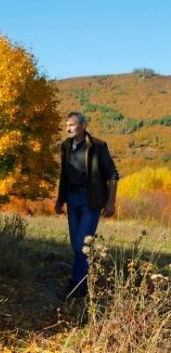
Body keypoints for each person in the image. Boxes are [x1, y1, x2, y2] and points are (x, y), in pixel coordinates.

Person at [54, 111, 119, 298]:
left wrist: (110, 202)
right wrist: (60, 199)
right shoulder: (65, 146)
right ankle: (83, 284)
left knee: (82, 243)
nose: (68, 128)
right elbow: (64, 175)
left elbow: (112, 175)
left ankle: (74, 286)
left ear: (83, 126)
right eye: (66, 125)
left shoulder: (98, 146)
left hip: (91, 200)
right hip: (72, 199)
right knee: (76, 244)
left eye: (72, 125)